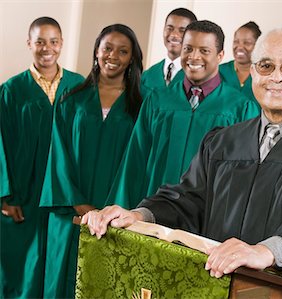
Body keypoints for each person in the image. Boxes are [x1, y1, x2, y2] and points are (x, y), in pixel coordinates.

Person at [83, 25, 282, 298]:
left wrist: (266, 251)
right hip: (217, 287)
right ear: (254, 73)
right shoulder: (223, 141)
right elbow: (188, 199)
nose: (276, 77)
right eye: (266, 66)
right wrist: (138, 215)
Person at [39, 24, 144, 299]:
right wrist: (80, 205)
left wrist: (111, 211)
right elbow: (58, 158)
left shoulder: (141, 106)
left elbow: (138, 163)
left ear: (132, 58)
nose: (113, 55)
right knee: (61, 282)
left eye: (123, 51)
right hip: (70, 214)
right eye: (107, 48)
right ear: (96, 51)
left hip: (115, 217)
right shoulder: (70, 101)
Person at [106, 20, 259, 209]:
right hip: (151, 213)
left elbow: (244, 177)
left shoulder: (240, 108)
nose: (194, 57)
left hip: (207, 219)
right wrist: (121, 210)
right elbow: (134, 162)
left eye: (204, 50)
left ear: (220, 56)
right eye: (188, 49)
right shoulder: (157, 101)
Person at [0, 17, 84, 299]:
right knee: (21, 267)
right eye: (39, 41)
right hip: (25, 192)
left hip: (63, 193)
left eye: (53, 41)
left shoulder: (78, 85)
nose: (47, 48)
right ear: (29, 44)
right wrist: (5, 197)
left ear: (61, 44)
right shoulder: (12, 89)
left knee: (58, 263)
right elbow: (1, 144)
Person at [141, 8, 197, 90]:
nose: (174, 35)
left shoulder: (198, 77)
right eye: (170, 28)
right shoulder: (147, 76)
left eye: (182, 30)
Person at [219, 21, 261, 105]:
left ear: (258, 45)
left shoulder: (263, 74)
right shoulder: (218, 71)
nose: (240, 47)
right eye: (236, 41)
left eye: (247, 43)